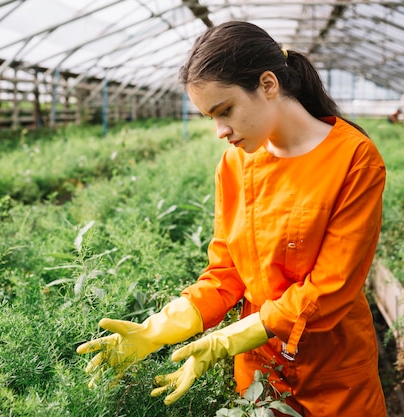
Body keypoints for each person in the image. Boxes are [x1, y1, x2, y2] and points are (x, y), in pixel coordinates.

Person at [77, 21, 387, 417]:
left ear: (268, 84)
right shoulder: (234, 163)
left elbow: (331, 287)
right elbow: (226, 270)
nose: (221, 131)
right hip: (258, 372)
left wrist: (227, 339)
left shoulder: (354, 159)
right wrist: (158, 329)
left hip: (334, 374)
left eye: (226, 111)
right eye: (211, 118)